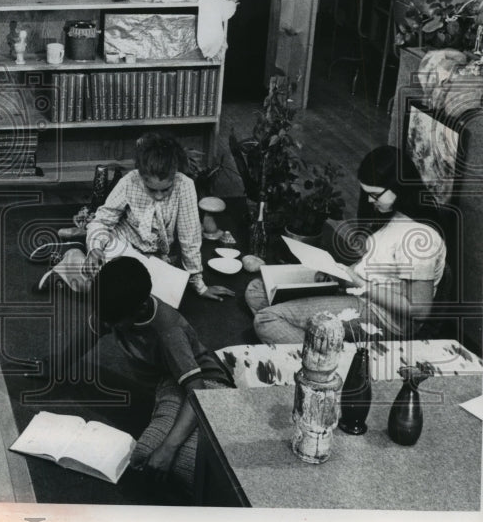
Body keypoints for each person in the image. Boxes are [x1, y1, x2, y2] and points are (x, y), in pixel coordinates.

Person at [46, 257, 234, 494]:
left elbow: (196, 389)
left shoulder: (169, 330)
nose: (107, 326)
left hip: (204, 385)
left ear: (141, 308)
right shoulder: (116, 310)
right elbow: (89, 334)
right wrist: (56, 366)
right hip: (171, 385)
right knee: (153, 459)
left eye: (113, 323)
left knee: (158, 457)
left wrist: (168, 448)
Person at [252, 145, 446, 344]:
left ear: (398, 186)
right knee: (257, 290)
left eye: (375, 195)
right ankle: (314, 338)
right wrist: (338, 273)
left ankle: (329, 356)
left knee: (266, 320)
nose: (370, 200)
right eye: (367, 193)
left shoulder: (420, 237)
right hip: (358, 292)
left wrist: (360, 284)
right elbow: (375, 266)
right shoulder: (393, 216)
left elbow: (420, 310)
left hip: (381, 317)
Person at [38, 133, 234, 302]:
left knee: (156, 298)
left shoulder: (185, 186)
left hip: (157, 258)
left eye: (165, 190)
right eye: (151, 189)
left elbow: (190, 238)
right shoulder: (129, 181)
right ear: (141, 175)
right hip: (121, 247)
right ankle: (74, 256)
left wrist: (199, 284)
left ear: (176, 174)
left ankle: (76, 252)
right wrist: (96, 248)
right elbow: (102, 220)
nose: (158, 196)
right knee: (111, 293)